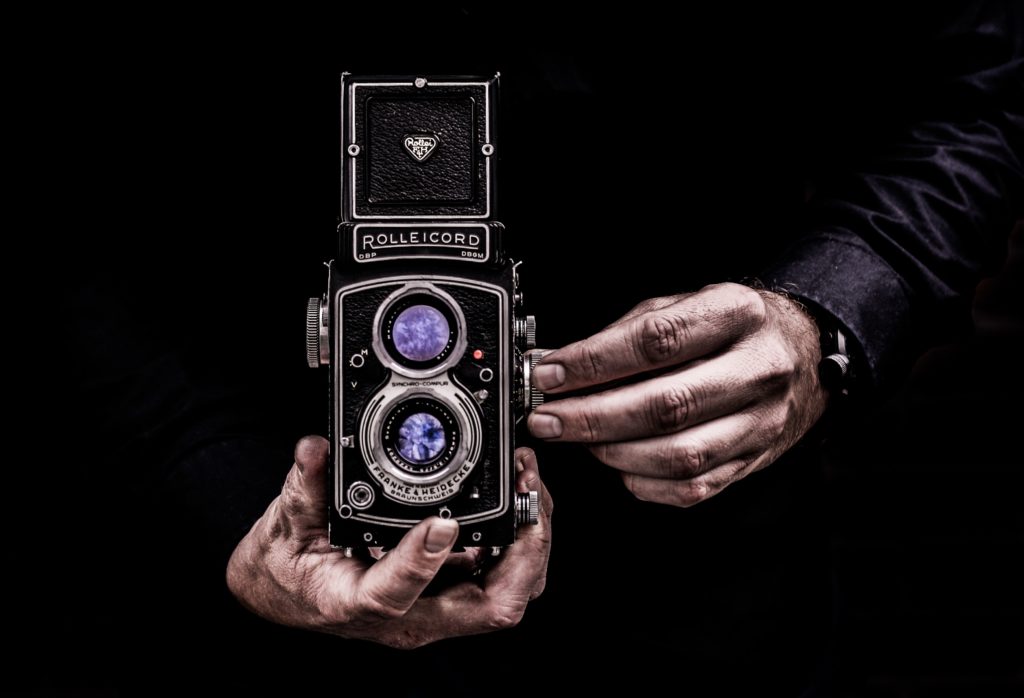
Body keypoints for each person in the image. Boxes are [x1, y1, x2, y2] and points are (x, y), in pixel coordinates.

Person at [47, 2, 1020, 695]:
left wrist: (820, 315)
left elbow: (980, 87)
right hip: (247, 544)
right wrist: (211, 481)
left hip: (710, 571)